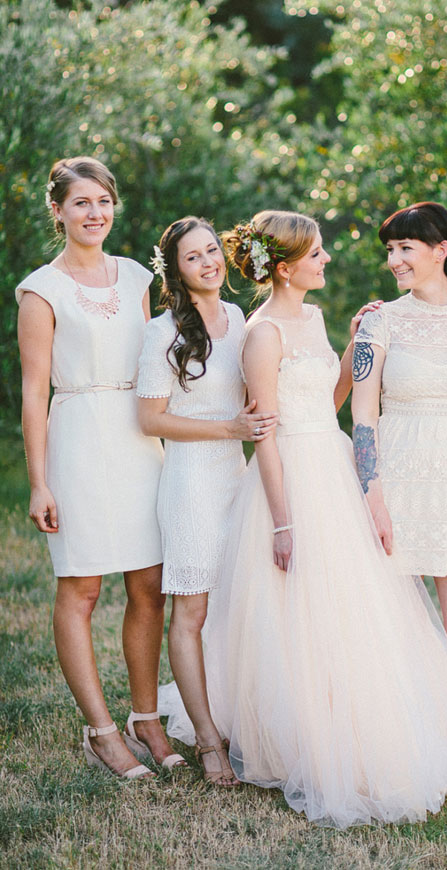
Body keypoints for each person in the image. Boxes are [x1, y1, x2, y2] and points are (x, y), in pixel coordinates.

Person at [204, 209, 447, 828]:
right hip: (302, 477)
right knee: (320, 620)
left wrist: (349, 345)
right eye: (316, 253)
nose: (329, 259)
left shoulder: (317, 318)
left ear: (441, 250)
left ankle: (443, 744)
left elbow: (328, 399)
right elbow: (270, 427)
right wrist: (286, 519)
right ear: (283, 267)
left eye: (403, 248)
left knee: (373, 622)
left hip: (340, 464)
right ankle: (312, 740)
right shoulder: (265, 334)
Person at [16, 156, 183, 780]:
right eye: (82, 203)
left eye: (104, 201)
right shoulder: (41, 291)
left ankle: (146, 718)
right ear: (58, 211)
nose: (95, 214)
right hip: (79, 437)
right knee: (82, 588)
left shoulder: (136, 276)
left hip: (139, 439)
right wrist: (39, 482)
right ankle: (101, 730)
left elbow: (157, 361)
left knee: (149, 585)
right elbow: (34, 391)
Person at [350, 203, 447, 739]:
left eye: (405, 248)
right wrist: (372, 495)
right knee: (389, 634)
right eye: (390, 250)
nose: (394, 260)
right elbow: (362, 417)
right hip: (394, 489)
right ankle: (395, 744)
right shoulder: (380, 321)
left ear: (441, 250)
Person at [136, 216, 278, 785]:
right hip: (192, 482)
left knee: (236, 606)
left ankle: (242, 720)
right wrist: (227, 430)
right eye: (193, 256)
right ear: (176, 270)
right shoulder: (162, 332)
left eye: (212, 250)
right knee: (191, 613)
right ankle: (208, 740)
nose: (208, 262)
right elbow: (150, 419)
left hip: (237, 480)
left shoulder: (241, 318)